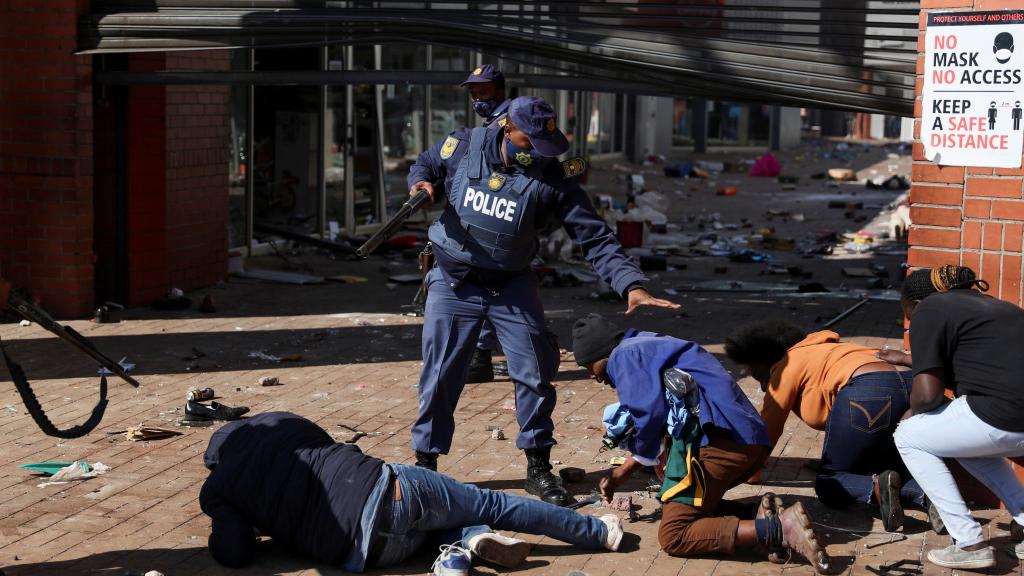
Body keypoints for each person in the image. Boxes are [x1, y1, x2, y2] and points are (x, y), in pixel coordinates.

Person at [406, 95, 679, 507]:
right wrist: (421, 182)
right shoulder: (463, 147)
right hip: (453, 279)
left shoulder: (554, 180)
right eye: (527, 142)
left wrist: (630, 285)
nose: (534, 152)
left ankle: (538, 467)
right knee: (441, 374)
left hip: (510, 283)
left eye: (542, 145)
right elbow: (426, 162)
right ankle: (425, 464)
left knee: (534, 370)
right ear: (505, 129)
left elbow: (594, 236)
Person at [199, 412, 624, 575]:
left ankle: (468, 541)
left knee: (425, 530)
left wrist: (250, 524)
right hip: (394, 491)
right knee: (494, 503)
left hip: (366, 554)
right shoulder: (282, 421)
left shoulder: (219, 487)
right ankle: (598, 533)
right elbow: (343, 454)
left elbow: (234, 553)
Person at [571, 314, 830, 573]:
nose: (593, 378)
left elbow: (648, 415)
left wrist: (624, 470)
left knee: (675, 534)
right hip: (748, 440)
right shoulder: (649, 344)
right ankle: (756, 513)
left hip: (724, 443)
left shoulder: (624, 356)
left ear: (601, 353)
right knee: (685, 503)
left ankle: (779, 529)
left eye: (588, 368)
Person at [724, 320, 925, 533]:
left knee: (831, 483)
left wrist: (750, 473)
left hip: (869, 391)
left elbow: (767, 430)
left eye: (762, 377)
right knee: (883, 470)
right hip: (914, 385)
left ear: (767, 360)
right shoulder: (838, 349)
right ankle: (929, 497)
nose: (764, 387)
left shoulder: (787, 364)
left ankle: (875, 488)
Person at [886, 265, 1024, 570]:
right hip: (1013, 420)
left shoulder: (929, 309)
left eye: (906, 313)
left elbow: (928, 395)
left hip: (1003, 416)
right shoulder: (999, 306)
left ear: (917, 304)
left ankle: (969, 542)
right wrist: (913, 360)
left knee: (909, 436)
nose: (909, 321)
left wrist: (910, 414)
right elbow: (988, 368)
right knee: (964, 443)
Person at [460, 64, 510, 383]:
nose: (478, 97)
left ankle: (479, 356)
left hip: (499, 218)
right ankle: (481, 355)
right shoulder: (491, 123)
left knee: (488, 287)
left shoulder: (509, 123)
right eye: (474, 93)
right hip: (486, 214)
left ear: (500, 90)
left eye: (484, 91)